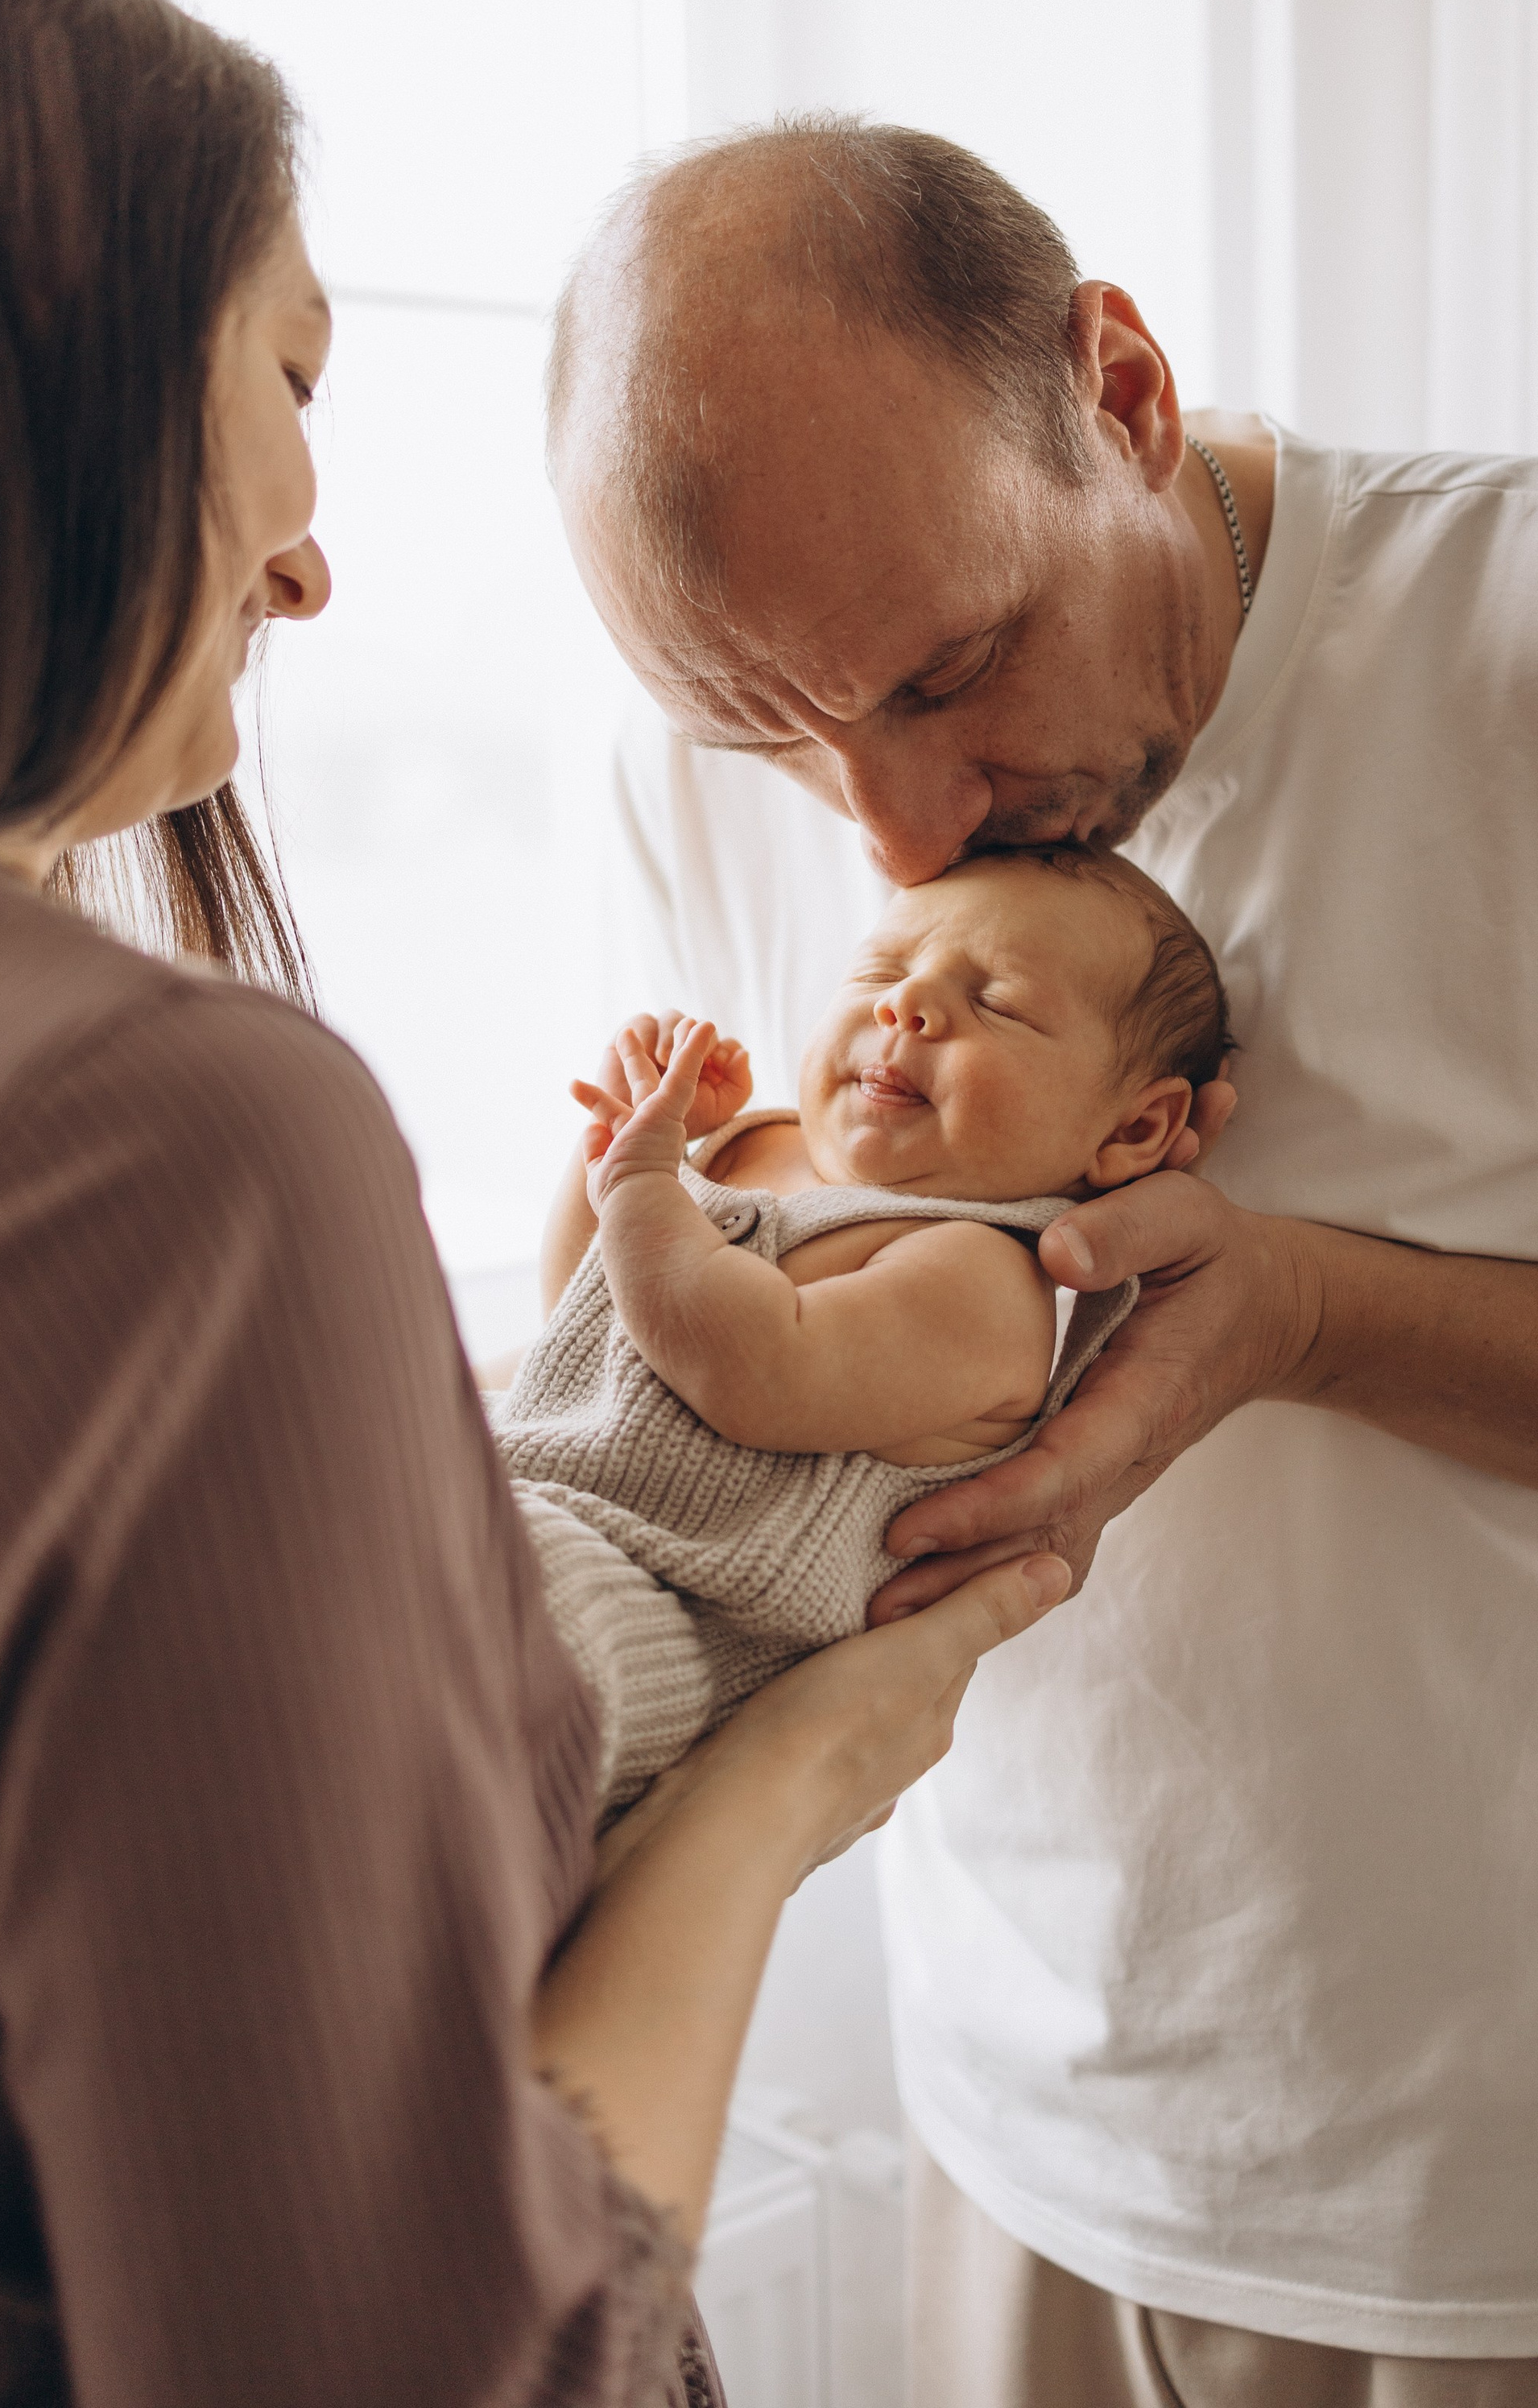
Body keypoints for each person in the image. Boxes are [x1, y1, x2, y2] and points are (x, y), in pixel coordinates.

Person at [0, 0, 1069, 2408]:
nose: (312, 546)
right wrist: (785, 1779)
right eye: (290, 373)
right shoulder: (148, 1156)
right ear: (32, 392)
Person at [545, 115, 1538, 2405]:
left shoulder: (1496, 653)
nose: (887, 838)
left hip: (1486, 2215)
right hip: (1012, 2121)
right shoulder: (694, 759)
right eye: (770, 737)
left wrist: (1305, 1310)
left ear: (1124, 388)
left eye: (946, 672)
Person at [498, 850, 1226, 1819]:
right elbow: (582, 1318)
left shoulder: (980, 1276)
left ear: (1132, 1131)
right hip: (532, 1508)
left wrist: (639, 1189)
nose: (907, 1005)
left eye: (998, 1002)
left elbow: (757, 1369)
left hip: (669, 1620)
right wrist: (620, 1151)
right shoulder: (747, 1147)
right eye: (881, 973)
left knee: (458, 1616)